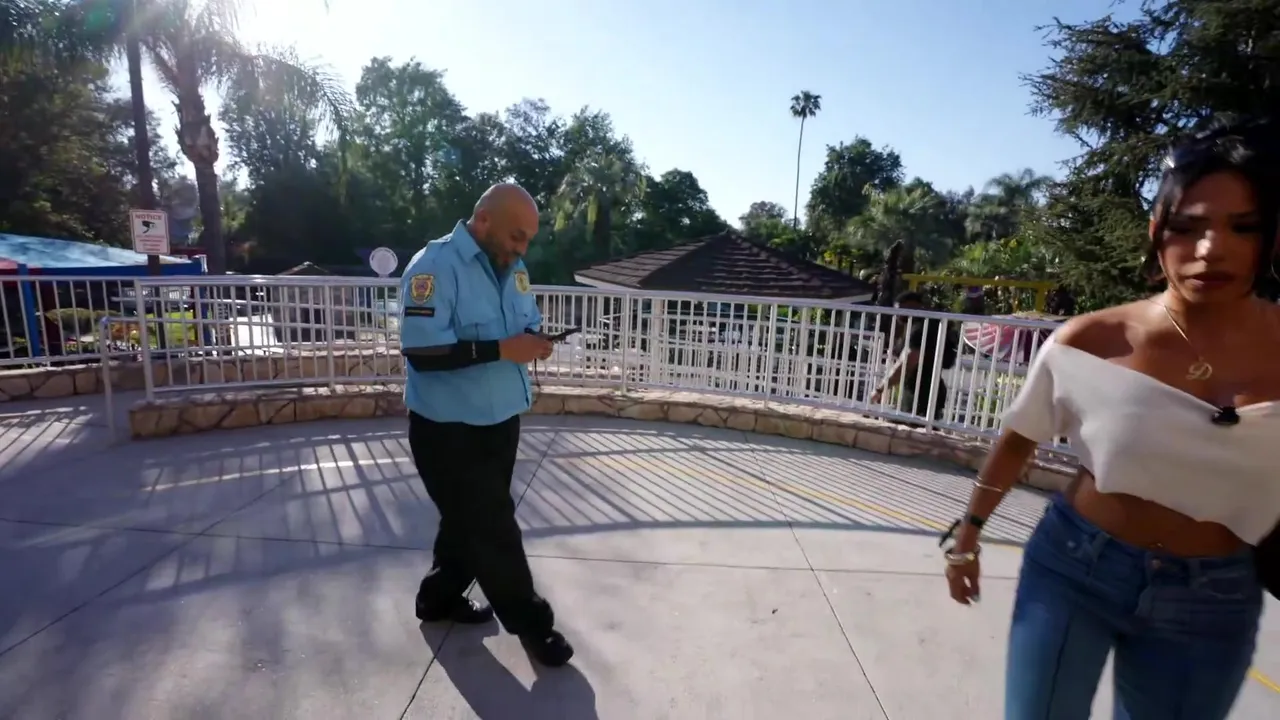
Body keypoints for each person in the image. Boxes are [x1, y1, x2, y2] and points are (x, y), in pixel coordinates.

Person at [941, 119, 1280, 719]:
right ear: (1157, 232)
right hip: (1074, 568)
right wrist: (966, 537)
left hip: (1215, 599)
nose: (1211, 249)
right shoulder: (1092, 340)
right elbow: (1018, 440)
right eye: (1188, 227)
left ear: (1271, 238)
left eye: (1242, 227)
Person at [398, 183, 575, 668]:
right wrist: (501, 349)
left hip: (500, 420)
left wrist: (535, 342)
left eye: (528, 240)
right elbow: (422, 351)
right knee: (493, 528)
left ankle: (437, 599)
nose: (523, 248)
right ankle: (534, 626)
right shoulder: (433, 268)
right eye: (517, 236)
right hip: (447, 428)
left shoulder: (512, 269)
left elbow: (524, 323)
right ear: (483, 221)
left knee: (469, 521)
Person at [869, 291, 958, 420]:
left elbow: (907, 361)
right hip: (921, 392)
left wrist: (880, 389)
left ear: (911, 305)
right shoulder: (925, 325)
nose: (897, 314)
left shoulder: (921, 328)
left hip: (922, 394)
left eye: (899, 309)